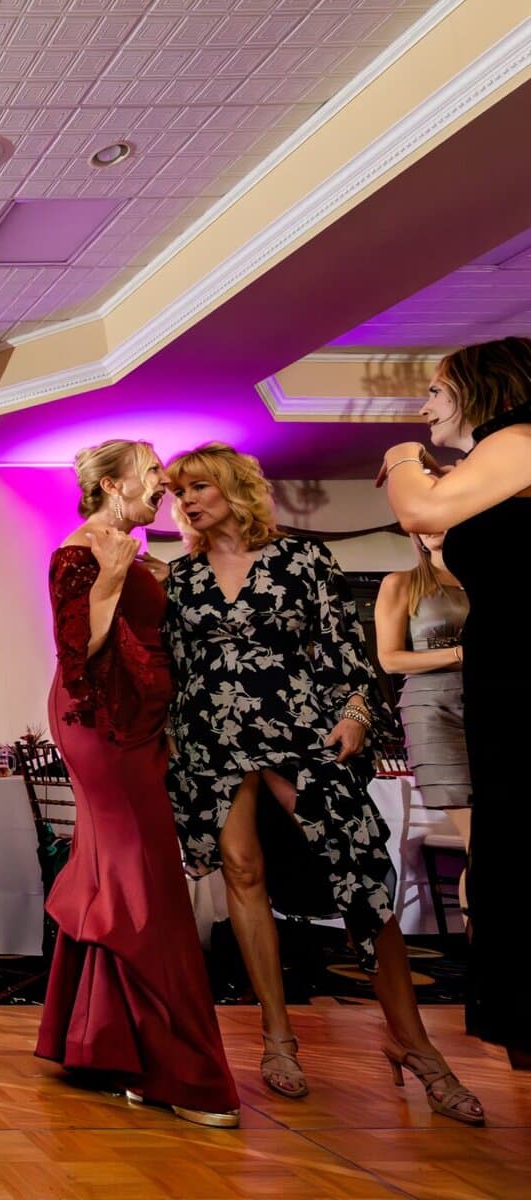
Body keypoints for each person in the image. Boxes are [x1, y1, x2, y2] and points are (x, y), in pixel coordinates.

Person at [165, 442, 482, 1125]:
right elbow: (178, 670)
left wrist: (358, 713)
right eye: (178, 491)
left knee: (360, 875)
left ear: (234, 488)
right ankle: (278, 1037)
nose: (186, 500)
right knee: (243, 876)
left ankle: (415, 1043)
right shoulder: (180, 577)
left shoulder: (302, 560)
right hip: (210, 740)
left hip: (298, 728)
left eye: (198, 487)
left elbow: (345, 653)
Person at [36, 440, 239, 1127]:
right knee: (147, 883)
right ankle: (179, 1071)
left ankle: (106, 1043)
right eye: (153, 472)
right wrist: (112, 580)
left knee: (119, 877)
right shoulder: (83, 551)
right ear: (116, 483)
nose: (164, 481)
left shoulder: (129, 544)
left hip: (138, 722)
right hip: (102, 723)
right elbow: (78, 653)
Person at [381, 334, 531, 1071]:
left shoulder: (521, 439)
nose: (424, 405)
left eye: (435, 391)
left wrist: (405, 459)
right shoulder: (501, 461)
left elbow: (414, 512)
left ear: (483, 389)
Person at [374, 532, 470, 810]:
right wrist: (458, 654)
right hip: (434, 710)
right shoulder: (401, 583)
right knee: (464, 816)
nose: (429, 529)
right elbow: (390, 660)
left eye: (436, 518)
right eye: (419, 524)